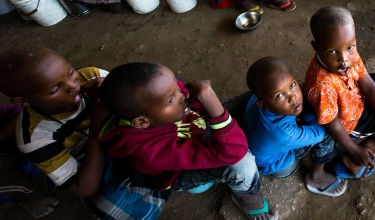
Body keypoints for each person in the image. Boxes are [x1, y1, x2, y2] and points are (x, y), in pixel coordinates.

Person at [98, 62, 279, 220]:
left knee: (259, 97)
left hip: (196, 131)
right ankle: (248, 199)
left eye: (176, 86)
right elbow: (234, 152)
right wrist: (213, 105)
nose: (183, 95)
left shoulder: (160, 101)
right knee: (242, 164)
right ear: (142, 122)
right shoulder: (149, 151)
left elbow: (188, 97)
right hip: (179, 170)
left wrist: (206, 104)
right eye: (170, 100)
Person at [304, 6, 375, 178]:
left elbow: (368, 85)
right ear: (316, 47)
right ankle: (360, 154)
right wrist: (355, 149)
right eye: (332, 52)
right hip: (350, 118)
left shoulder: (345, 49)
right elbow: (332, 124)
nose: (344, 60)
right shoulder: (322, 86)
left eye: (350, 47)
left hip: (353, 89)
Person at [0, 47, 112, 200]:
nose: (73, 86)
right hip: (87, 158)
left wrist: (116, 90)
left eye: (71, 72)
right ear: (22, 101)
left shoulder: (91, 76)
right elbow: (83, 189)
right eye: (55, 89)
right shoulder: (35, 137)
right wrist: (97, 128)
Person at [240, 57, 346, 196]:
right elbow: (318, 133)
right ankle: (316, 176)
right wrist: (313, 111)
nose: (293, 97)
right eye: (279, 96)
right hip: (275, 163)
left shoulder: (260, 97)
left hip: (256, 141)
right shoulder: (283, 133)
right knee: (327, 132)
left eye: (292, 85)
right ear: (264, 104)